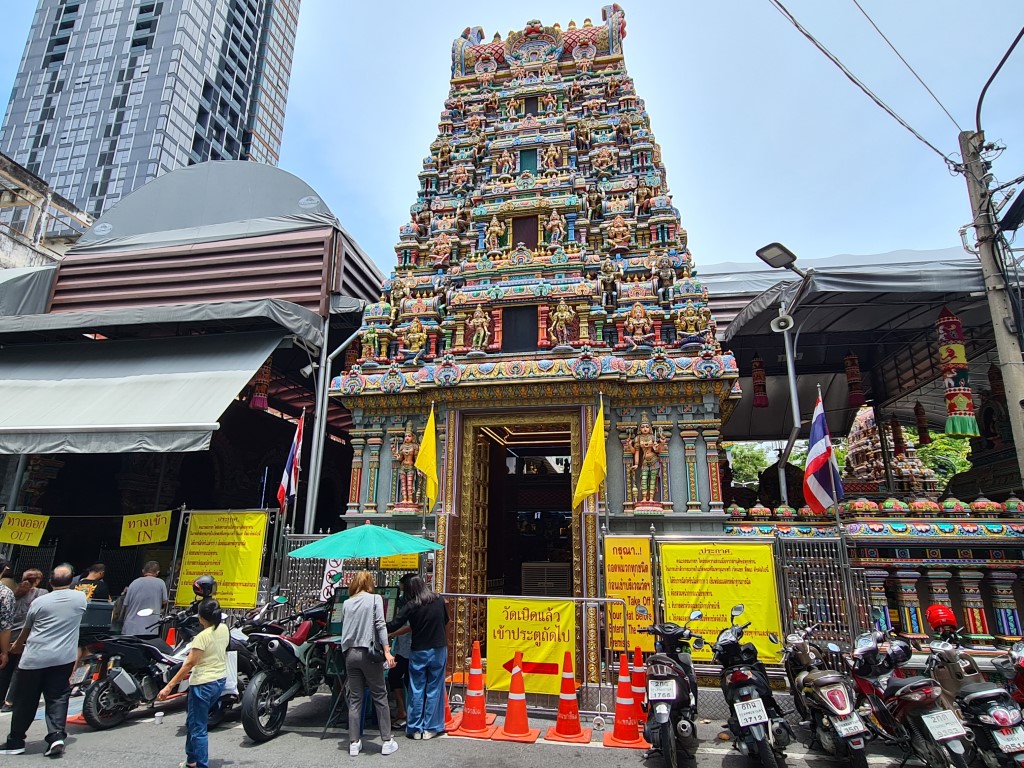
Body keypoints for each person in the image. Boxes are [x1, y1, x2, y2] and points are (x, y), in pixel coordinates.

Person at [0, 563, 86, 758]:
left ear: (50, 581)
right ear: (72, 581)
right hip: (63, 657)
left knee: (26, 700)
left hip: (35, 658)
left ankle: (16, 740)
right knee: (57, 697)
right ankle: (56, 736)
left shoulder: (41, 602)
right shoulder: (80, 598)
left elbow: (26, 630)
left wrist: (14, 647)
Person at [157, 598, 228, 768]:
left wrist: (169, 686)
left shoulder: (202, 637)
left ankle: (200, 764)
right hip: (219, 681)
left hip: (203, 684)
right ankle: (191, 760)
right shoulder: (224, 629)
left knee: (198, 728)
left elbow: (189, 663)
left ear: (201, 618)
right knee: (193, 722)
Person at [340, 571, 398, 757]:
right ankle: (387, 741)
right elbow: (380, 625)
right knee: (380, 696)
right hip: (369, 654)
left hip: (350, 654)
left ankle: (354, 743)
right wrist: (387, 651)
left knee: (355, 699)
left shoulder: (347, 603)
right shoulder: (375, 599)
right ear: (370, 583)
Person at [387, 576, 448, 739]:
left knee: (416, 688)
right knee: (435, 688)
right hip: (438, 648)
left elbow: (394, 624)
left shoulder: (411, 605)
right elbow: (446, 620)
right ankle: (431, 727)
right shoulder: (439, 599)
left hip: (418, 650)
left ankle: (415, 728)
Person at [0, 569, 46, 712]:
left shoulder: (13, 590)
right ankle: (10, 701)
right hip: (25, 636)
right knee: (19, 670)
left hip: (8, 636)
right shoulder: (42, 593)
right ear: (38, 580)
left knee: (5, 669)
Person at [387, 574, 415, 727]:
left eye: (401, 584)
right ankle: (403, 711)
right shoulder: (402, 601)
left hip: (411, 647)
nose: (399, 587)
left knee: (406, 678)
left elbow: (409, 626)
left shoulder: (412, 604)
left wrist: (392, 633)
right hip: (403, 647)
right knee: (395, 675)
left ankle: (408, 712)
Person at [116, 561, 168, 638]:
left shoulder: (134, 583)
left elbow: (125, 604)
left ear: (143, 571)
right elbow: (165, 601)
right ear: (157, 572)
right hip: (150, 628)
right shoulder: (161, 583)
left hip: (130, 628)